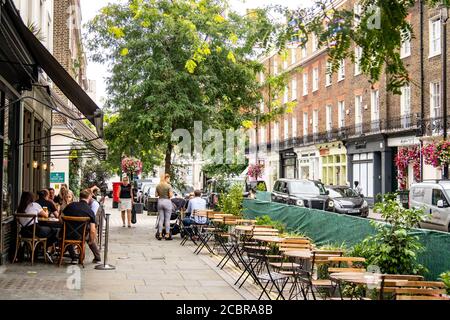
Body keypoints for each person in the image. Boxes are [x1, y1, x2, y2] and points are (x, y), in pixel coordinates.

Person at [16, 192, 58, 262]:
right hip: (36, 230)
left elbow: (20, 221)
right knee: (54, 230)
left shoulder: (19, 209)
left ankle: (39, 249)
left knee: (47, 232)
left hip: (24, 232)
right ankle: (44, 248)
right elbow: (46, 215)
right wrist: (46, 212)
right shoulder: (34, 205)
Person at [62, 189, 101, 263]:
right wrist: (91, 240)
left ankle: (73, 257)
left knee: (63, 233)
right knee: (90, 234)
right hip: (82, 235)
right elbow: (93, 230)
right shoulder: (89, 211)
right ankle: (97, 257)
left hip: (67, 234)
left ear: (79, 197)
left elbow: (61, 218)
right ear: (89, 197)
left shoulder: (71, 205)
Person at [155, 173, 174, 240]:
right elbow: (171, 195)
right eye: (169, 178)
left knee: (161, 219)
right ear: (166, 178)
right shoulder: (168, 186)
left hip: (160, 201)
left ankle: (160, 234)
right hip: (167, 202)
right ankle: (167, 234)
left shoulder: (158, 186)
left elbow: (156, 195)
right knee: (167, 219)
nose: (169, 179)